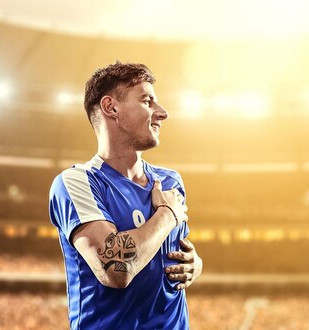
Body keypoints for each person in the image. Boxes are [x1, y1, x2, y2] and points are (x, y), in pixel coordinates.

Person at [49, 62, 202, 329]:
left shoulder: (170, 181)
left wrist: (195, 265)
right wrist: (167, 215)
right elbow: (116, 270)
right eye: (147, 101)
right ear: (111, 108)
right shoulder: (76, 182)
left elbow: (173, 255)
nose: (162, 113)